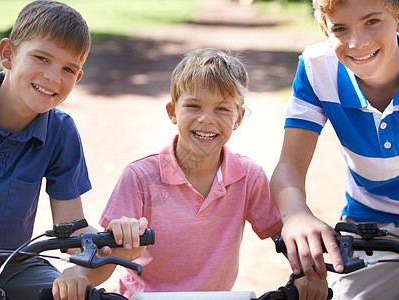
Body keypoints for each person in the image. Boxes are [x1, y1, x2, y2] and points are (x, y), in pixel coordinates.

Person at [55, 48, 328, 300]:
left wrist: (305, 274)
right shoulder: (140, 177)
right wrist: (79, 275)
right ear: (173, 112)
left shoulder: (248, 176)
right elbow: (110, 255)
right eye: (194, 106)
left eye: (222, 108)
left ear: (239, 118)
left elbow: (284, 234)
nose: (206, 119)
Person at [270, 0, 399, 299]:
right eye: (340, 28)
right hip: (370, 219)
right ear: (325, 29)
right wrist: (296, 213)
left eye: (372, 21)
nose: (357, 42)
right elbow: (289, 166)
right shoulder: (316, 67)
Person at [0, 1, 100, 299]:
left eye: (68, 69)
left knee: (71, 295)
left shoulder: (60, 131)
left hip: (9, 266)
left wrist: (107, 244)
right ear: (8, 54)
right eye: (41, 58)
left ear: (77, 78)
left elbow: (71, 230)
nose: (53, 77)